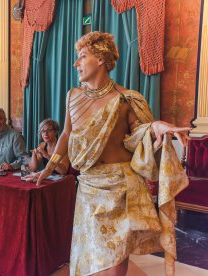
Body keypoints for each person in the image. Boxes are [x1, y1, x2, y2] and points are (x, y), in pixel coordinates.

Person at [24, 32, 191, 276]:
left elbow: (140, 132)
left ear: (100, 59)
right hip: (89, 189)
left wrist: (158, 127)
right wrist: (47, 169)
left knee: (114, 266)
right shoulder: (73, 96)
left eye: (82, 57)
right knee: (92, 259)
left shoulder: (124, 99)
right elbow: (67, 135)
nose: (76, 64)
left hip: (121, 190)